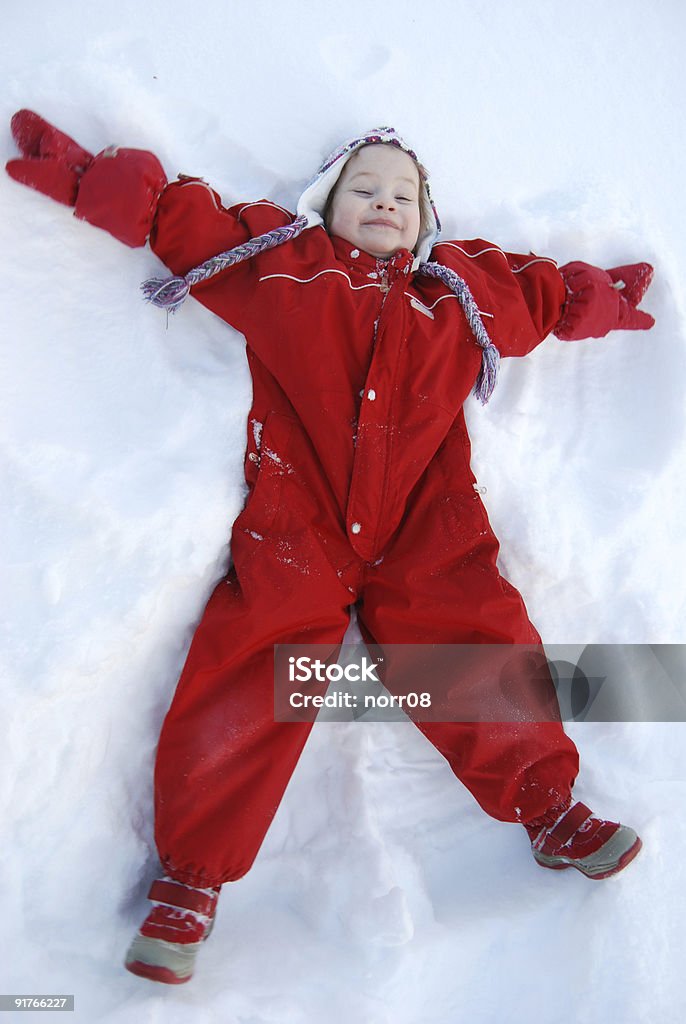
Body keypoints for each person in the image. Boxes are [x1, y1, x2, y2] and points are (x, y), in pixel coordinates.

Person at [6, 113, 653, 986]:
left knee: (473, 638)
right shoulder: (284, 269)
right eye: (363, 188)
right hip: (298, 523)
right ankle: (190, 880)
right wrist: (100, 183)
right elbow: (183, 223)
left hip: (427, 524)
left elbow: (539, 300)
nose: (383, 203)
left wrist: (597, 299)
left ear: (427, 218)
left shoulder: (456, 297)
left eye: (402, 195)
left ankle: (548, 809)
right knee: (249, 666)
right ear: (326, 202)